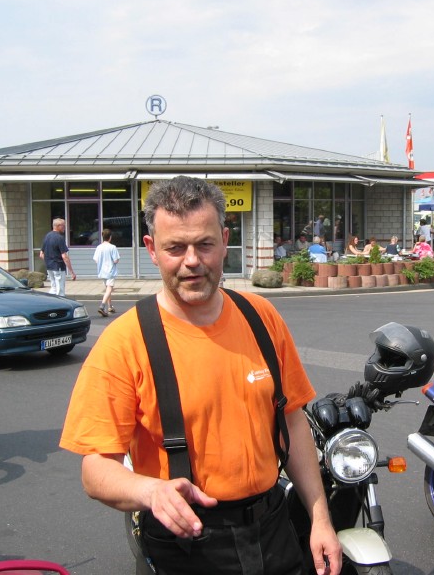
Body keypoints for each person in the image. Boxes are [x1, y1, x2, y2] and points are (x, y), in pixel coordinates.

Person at [59, 177, 341, 575]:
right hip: (185, 542)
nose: (192, 260)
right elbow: (95, 471)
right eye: (175, 247)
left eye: (204, 244)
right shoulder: (124, 342)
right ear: (152, 249)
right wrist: (150, 491)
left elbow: (292, 421)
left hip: (273, 527)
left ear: (224, 241)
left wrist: (320, 518)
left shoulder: (261, 317)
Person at [39, 218, 76, 296]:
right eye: (63, 226)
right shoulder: (59, 238)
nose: (64, 228)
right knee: (60, 289)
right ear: (58, 226)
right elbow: (64, 256)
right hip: (58, 266)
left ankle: (51, 301)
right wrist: (72, 272)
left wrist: (49, 261)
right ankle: (60, 302)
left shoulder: (47, 236)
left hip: (49, 267)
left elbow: (41, 254)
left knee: (54, 287)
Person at [93, 228, 120, 317]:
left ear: (102, 236)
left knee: (107, 289)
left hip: (102, 271)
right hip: (110, 271)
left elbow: (96, 259)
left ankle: (110, 306)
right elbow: (116, 260)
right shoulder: (112, 247)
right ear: (110, 237)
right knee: (109, 289)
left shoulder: (99, 247)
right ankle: (102, 306)